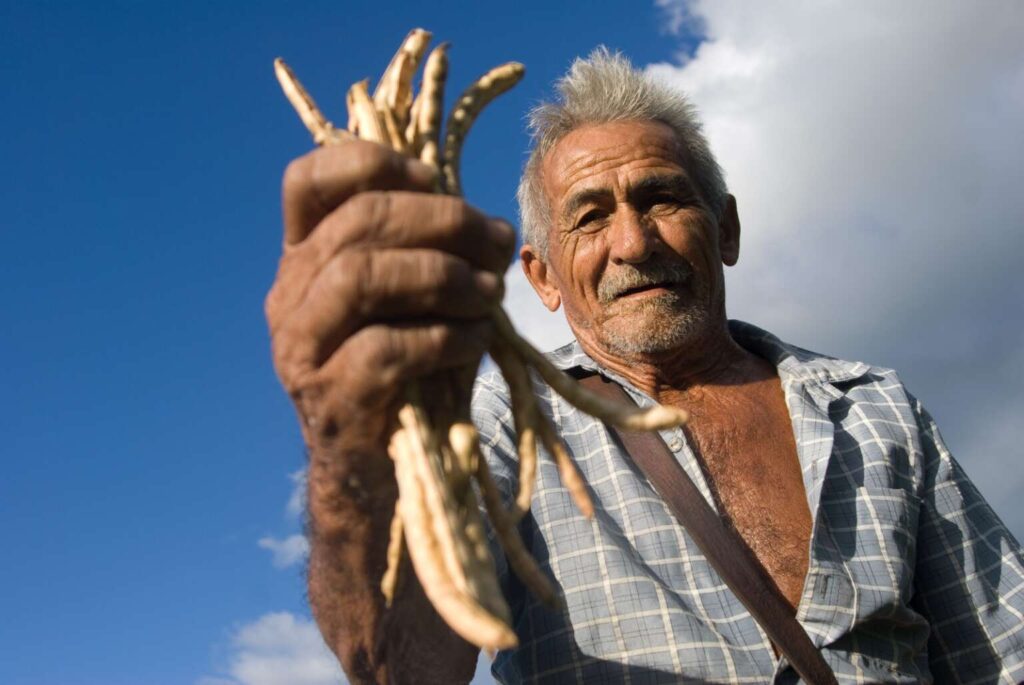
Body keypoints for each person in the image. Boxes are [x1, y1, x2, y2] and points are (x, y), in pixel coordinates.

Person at [265, 49, 1024, 684]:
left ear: (725, 227)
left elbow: (1002, 648)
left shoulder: (872, 408)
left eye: (662, 198)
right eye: (590, 215)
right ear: (543, 277)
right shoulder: (502, 425)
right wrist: (344, 445)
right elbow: (399, 662)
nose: (634, 242)